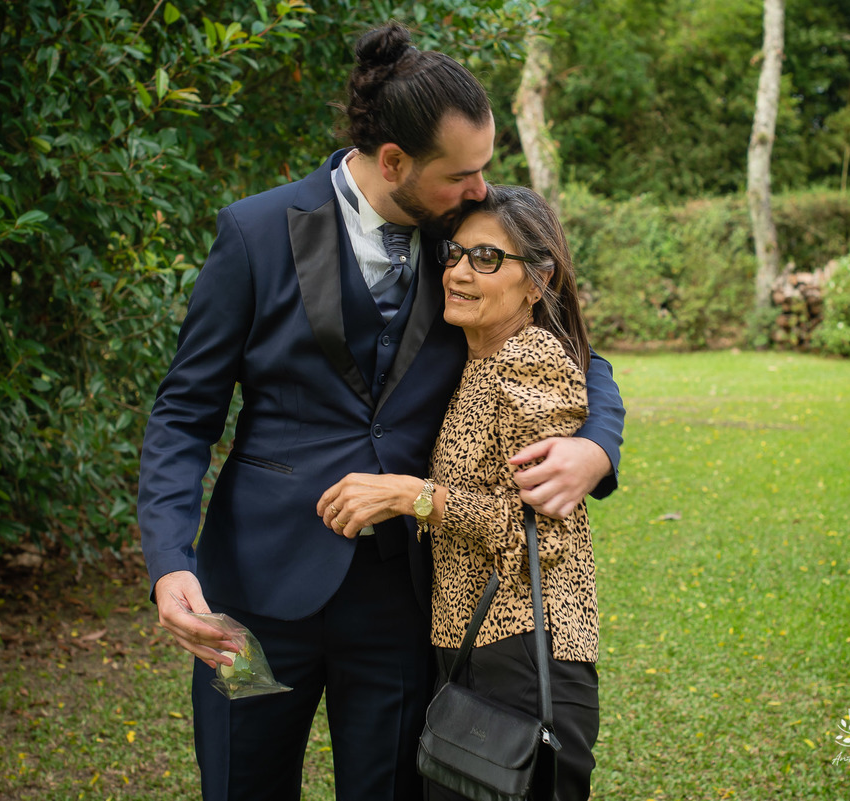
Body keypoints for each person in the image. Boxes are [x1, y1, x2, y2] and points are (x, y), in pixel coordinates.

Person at [137, 21, 624, 801]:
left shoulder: (467, 242)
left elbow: (573, 344)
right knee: (241, 786)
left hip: (403, 598)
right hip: (253, 596)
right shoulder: (256, 232)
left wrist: (597, 447)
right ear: (394, 161)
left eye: (485, 171)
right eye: (461, 174)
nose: (480, 190)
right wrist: (168, 561)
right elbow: (183, 411)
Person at [318, 184, 603, 800]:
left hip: (527, 644)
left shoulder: (531, 361)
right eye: (455, 254)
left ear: (538, 280)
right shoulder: (475, 358)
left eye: (488, 259)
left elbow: (543, 532)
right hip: (469, 643)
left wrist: (413, 497)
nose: (459, 272)